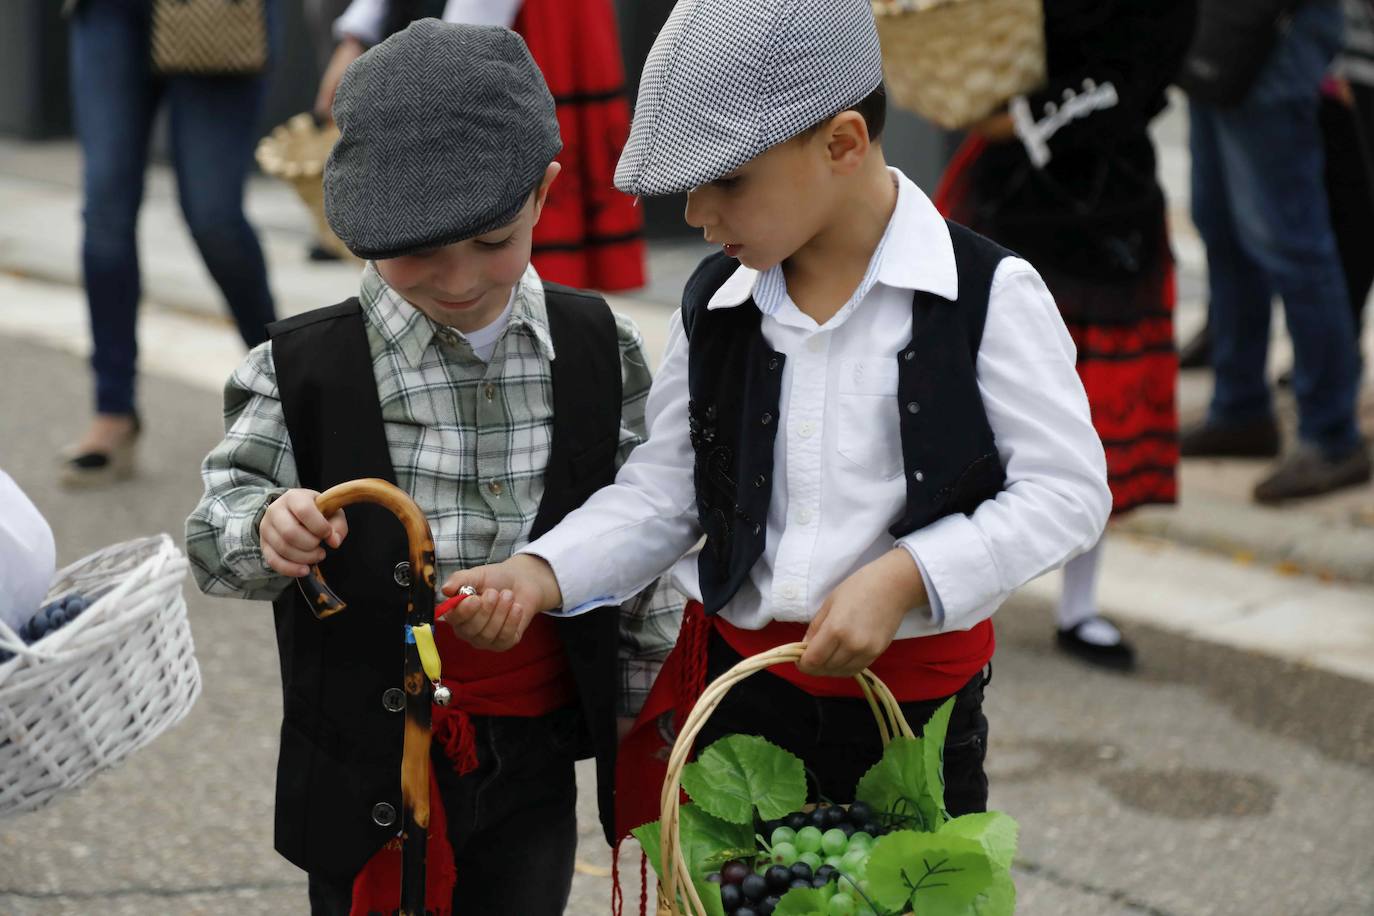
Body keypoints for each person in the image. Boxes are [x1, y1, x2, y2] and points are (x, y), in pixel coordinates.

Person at [440, 0, 1112, 847]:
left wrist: (905, 575)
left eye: (726, 181)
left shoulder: (987, 294)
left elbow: (1067, 491)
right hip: (739, 701)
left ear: (841, 144)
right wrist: (543, 573)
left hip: (912, 717)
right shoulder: (718, 303)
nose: (695, 215)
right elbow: (668, 489)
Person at [185, 22, 677, 915]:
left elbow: (645, 540)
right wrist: (269, 526)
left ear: (545, 194)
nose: (458, 280)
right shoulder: (297, 369)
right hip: (361, 770)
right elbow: (215, 533)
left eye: (492, 240)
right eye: (417, 249)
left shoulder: (602, 350)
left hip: (532, 754)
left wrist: (652, 719)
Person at [934, 0, 1196, 670]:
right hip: (1006, 194)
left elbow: (1148, 74)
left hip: (1105, 201)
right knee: (963, 399)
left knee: (1092, 415)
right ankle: (948, 584)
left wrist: (1022, 119)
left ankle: (1077, 605)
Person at [61, 0, 278, 487]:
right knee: (105, 214)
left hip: (218, 8)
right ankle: (113, 410)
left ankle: (289, 385)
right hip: (110, 13)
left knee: (213, 217)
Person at [316, 0, 647, 292]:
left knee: (499, 201)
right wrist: (357, 35)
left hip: (509, 29)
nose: (459, 284)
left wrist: (446, 70)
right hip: (436, 33)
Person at [1180, 0, 1370, 502]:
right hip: (1216, 24)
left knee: (1289, 239)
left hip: (1274, 24)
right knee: (1221, 226)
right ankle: (1240, 408)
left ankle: (1331, 434)